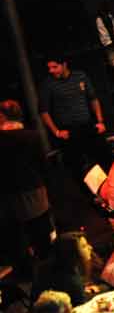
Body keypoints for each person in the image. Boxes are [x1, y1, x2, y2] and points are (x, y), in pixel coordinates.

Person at [0, 99, 53, 264]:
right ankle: (47, 261)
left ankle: (25, 267)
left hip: (10, 194)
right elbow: (43, 163)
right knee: (41, 229)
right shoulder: (32, 136)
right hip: (35, 189)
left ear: (2, 116)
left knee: (16, 234)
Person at [38, 56, 109, 176]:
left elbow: (93, 99)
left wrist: (100, 121)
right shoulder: (48, 84)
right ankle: (89, 194)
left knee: (103, 158)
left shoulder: (80, 76)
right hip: (68, 131)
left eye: (55, 67)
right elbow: (44, 111)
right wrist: (56, 132)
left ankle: (109, 188)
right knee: (76, 167)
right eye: (49, 68)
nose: (51, 71)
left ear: (64, 65)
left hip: (87, 125)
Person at [32, 232, 101, 307]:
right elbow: (82, 306)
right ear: (72, 252)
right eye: (84, 246)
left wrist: (83, 288)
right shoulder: (70, 279)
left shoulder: (53, 265)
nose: (90, 247)